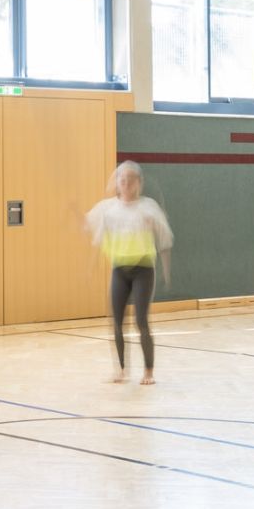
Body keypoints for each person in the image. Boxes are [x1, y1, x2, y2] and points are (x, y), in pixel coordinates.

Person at [86, 163, 174, 385]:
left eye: (131, 180)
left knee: (141, 321)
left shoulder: (148, 207)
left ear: (139, 183)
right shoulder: (108, 209)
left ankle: (148, 371)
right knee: (116, 322)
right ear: (117, 183)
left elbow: (164, 238)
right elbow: (96, 236)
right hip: (119, 271)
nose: (126, 184)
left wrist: (166, 270)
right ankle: (122, 370)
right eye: (122, 180)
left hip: (143, 270)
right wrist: (92, 266)